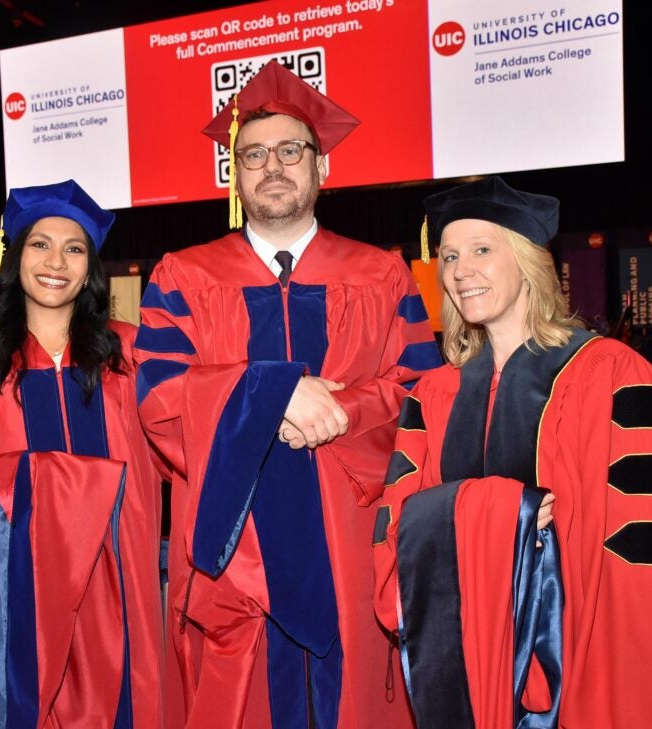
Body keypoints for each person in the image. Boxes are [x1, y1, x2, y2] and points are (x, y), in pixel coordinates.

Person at [134, 59, 441, 728]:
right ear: (235, 175)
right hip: (234, 552)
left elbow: (422, 394)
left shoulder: (382, 274)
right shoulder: (183, 276)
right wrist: (272, 396)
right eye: (253, 154)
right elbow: (158, 399)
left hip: (349, 540)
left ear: (321, 166)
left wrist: (340, 411)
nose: (271, 166)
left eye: (290, 151)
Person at [372, 176, 652, 728]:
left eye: (481, 250)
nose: (461, 270)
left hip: (591, 650)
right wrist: (501, 510)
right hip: (471, 655)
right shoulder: (433, 395)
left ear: (527, 263)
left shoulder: (613, 373)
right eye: (449, 256)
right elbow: (398, 524)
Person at [0, 179, 163, 728]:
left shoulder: (132, 352)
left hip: (120, 581)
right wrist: (33, 486)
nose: (56, 262)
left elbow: (186, 441)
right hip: (18, 584)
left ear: (90, 270)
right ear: (15, 257)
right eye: (40, 244)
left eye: (74, 249)